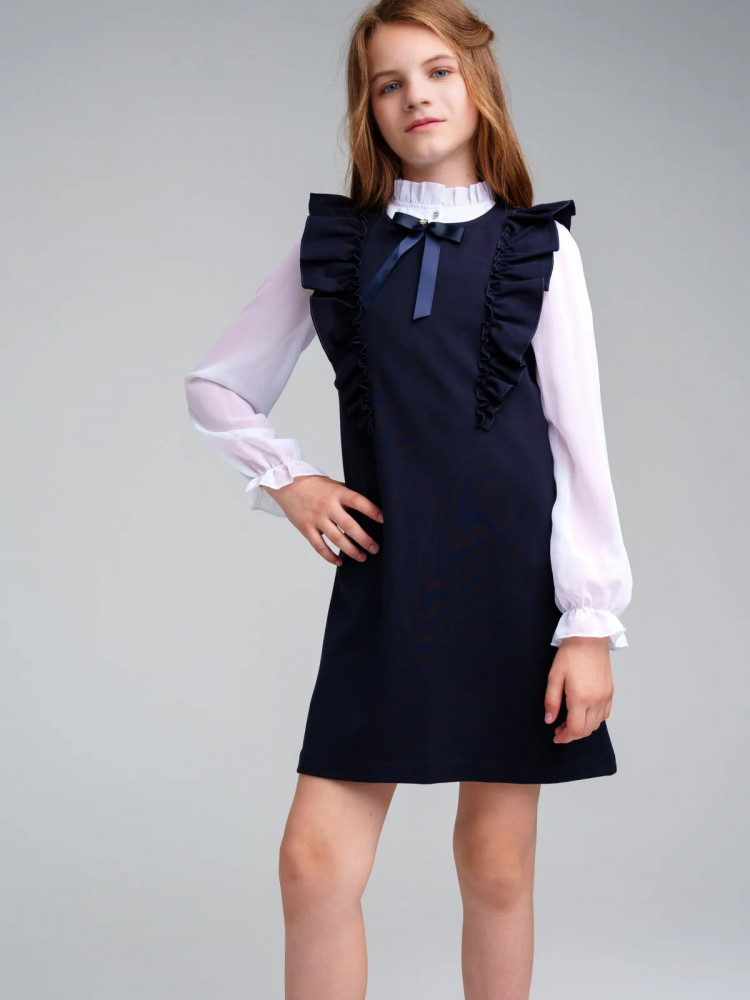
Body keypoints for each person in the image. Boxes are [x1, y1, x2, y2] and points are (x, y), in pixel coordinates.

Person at [184, 1, 633, 996]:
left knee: (497, 865)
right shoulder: (339, 244)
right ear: (368, 109)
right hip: (389, 587)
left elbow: (579, 444)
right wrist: (291, 479)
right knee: (313, 864)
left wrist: (589, 622)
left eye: (436, 72)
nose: (415, 97)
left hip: (514, 590)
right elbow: (217, 385)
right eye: (388, 83)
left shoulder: (537, 249)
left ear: (478, 86)